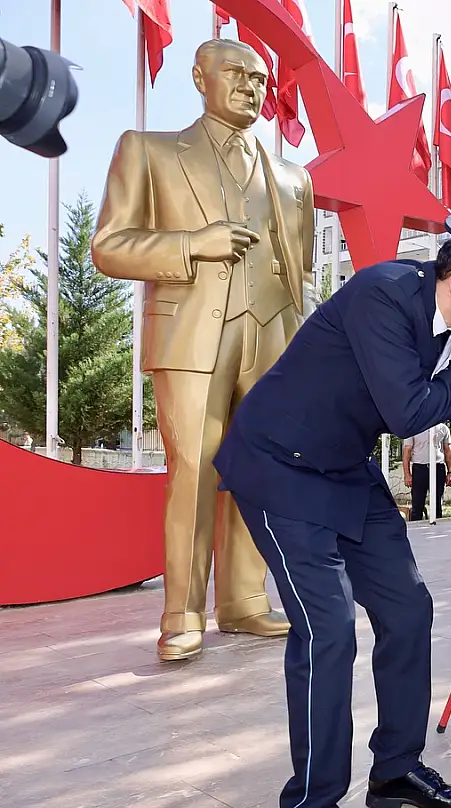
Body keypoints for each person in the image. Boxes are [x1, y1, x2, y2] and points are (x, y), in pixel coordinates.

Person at [212, 213, 451, 808]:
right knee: (328, 632)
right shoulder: (382, 296)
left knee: (407, 608)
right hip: (282, 469)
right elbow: (407, 411)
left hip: (345, 469)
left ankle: (396, 768)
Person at [92, 38, 315, 660]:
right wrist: (192, 244)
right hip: (190, 333)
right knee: (194, 467)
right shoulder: (150, 151)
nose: (250, 86)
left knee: (263, 467)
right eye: (235, 73)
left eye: (260, 78)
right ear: (199, 77)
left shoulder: (294, 178)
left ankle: (244, 600)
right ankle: (182, 613)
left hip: (273, 337)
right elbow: (108, 246)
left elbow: (298, 271)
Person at [402, 425, 450, 521]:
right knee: (417, 504)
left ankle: (437, 527)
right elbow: (407, 452)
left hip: (438, 468)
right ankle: (416, 527)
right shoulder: (414, 427)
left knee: (437, 504)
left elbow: (447, 450)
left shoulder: (443, 428)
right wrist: (407, 474)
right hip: (420, 469)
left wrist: (450, 472)